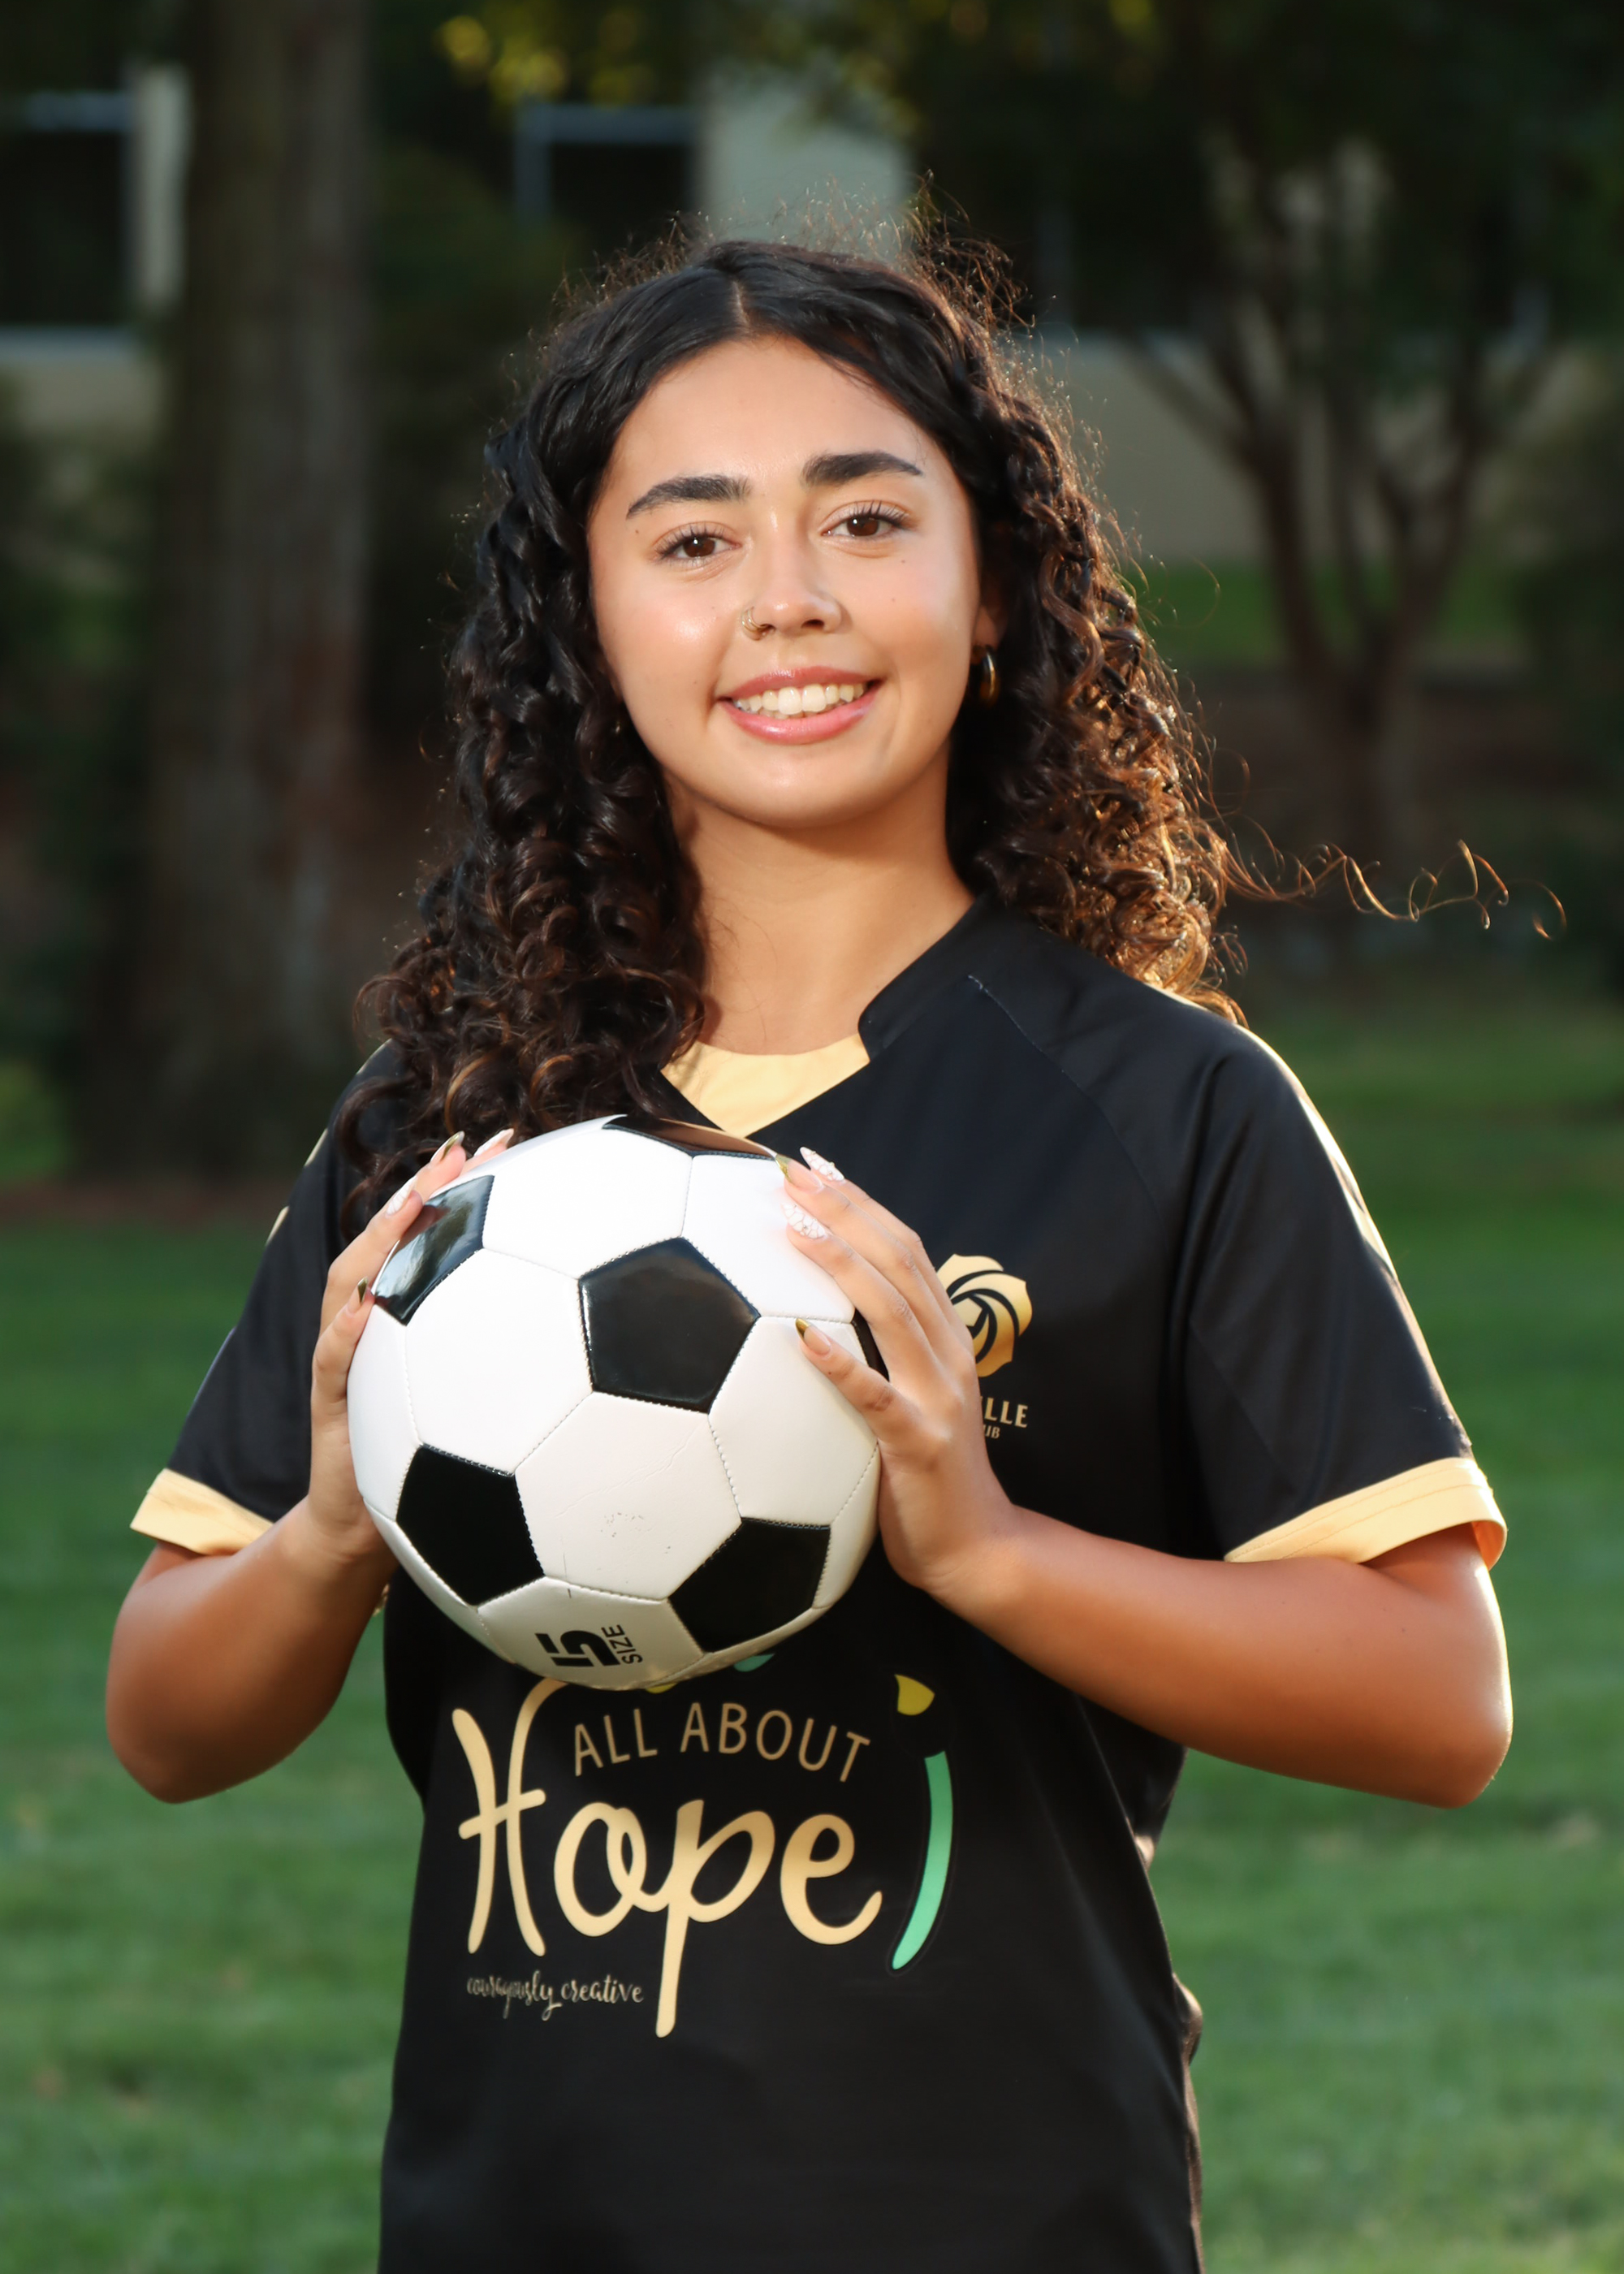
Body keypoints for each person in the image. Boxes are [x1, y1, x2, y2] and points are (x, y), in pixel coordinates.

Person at [106, 237, 1512, 2274]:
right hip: (519, 2224)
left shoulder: (1167, 1109)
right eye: (693, 539)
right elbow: (166, 1720)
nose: (788, 595)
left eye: (864, 517)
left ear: (995, 579)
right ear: (587, 615)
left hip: (1012, 2220)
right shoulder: (449, 1136)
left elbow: (1439, 1697)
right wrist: (334, 1524)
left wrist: (989, 1551)